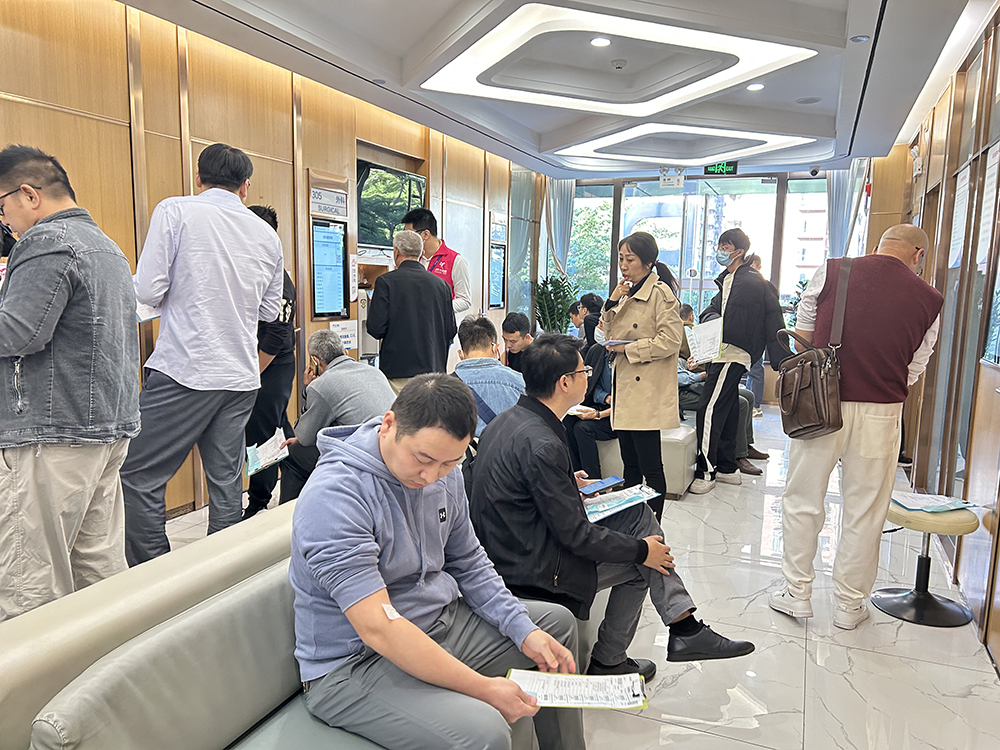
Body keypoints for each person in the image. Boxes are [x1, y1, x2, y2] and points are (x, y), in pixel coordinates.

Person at [290, 374, 585, 749]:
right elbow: (379, 627)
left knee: (553, 626)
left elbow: (470, 561)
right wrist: (483, 688)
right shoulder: (336, 497)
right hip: (356, 663)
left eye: (449, 463)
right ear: (389, 425)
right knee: (485, 731)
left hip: (439, 622)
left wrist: (522, 628)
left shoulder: (446, 475)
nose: (431, 477)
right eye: (423, 459)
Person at [469, 334, 755, 685]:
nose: (588, 376)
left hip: (518, 544)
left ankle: (684, 627)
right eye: (584, 371)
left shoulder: (511, 420)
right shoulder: (542, 442)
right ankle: (622, 654)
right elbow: (576, 536)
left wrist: (567, 482)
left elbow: (521, 486)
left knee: (638, 515)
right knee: (643, 563)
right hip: (532, 568)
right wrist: (641, 551)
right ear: (564, 383)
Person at [770, 224, 943, 630]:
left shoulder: (833, 270)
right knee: (865, 509)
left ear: (879, 244)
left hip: (820, 403)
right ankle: (849, 605)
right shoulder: (930, 299)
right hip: (882, 411)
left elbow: (802, 336)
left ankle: (797, 593)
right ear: (918, 254)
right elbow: (915, 365)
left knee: (803, 498)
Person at [122, 143, 284, 565]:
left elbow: (147, 290)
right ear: (245, 187)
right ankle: (221, 576)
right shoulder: (266, 234)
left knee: (137, 474)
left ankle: (155, 574)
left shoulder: (175, 210)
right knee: (226, 484)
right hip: (241, 377)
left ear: (198, 178)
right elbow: (269, 312)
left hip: (186, 369)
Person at [0, 145, 140, 620]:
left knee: (29, 586)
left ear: (28, 194)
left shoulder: (45, 242)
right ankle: (114, 664)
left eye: (2, 206)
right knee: (98, 572)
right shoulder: (106, 246)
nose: (5, 221)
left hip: (50, 435)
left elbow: (19, 332)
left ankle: (36, 673)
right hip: (104, 429)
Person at [690, 228, 785, 495]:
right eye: (720, 246)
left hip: (730, 353)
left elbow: (770, 321)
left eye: (725, 247)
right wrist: (713, 323)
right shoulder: (729, 279)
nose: (720, 251)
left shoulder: (750, 282)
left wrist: (780, 359)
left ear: (739, 251)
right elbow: (711, 311)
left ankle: (706, 471)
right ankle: (727, 468)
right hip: (725, 352)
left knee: (708, 409)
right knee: (729, 408)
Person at [602, 231, 682, 519]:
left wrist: (630, 349)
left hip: (646, 389)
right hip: (624, 386)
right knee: (630, 465)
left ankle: (654, 527)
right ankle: (633, 524)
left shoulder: (660, 294)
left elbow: (671, 341)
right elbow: (607, 333)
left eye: (630, 260)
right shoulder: (626, 292)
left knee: (651, 467)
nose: (624, 266)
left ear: (648, 263)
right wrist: (611, 302)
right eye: (621, 259)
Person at [277, 329, 396, 504]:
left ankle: (290, 513)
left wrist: (308, 388)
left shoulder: (321, 385)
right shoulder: (374, 372)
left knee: (293, 454)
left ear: (315, 360)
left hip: (362, 457)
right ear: (345, 352)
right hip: (391, 449)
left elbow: (304, 437)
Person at [242, 205, 297, 520]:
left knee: (261, 434)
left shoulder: (278, 277)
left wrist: (252, 373)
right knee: (277, 428)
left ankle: (258, 502)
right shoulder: (251, 269)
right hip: (258, 365)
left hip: (272, 365)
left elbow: (275, 338)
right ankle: (300, 475)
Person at [366, 229, 457, 395]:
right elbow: (450, 330)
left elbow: (375, 328)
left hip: (398, 372)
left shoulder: (385, 282)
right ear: (421, 253)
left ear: (396, 252)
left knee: (402, 412)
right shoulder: (441, 285)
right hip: (433, 373)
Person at [453, 315, 525, 437]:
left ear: (460, 354)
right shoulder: (519, 382)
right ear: (495, 348)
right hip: (511, 448)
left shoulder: (445, 387)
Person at [401, 207, 472, 315]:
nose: (406, 240)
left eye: (410, 235)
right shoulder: (410, 258)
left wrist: (435, 307)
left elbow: (465, 300)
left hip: (439, 322)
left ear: (425, 235)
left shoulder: (455, 261)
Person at [563, 342, 616, 481]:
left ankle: (592, 479)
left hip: (618, 414)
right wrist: (605, 397)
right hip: (600, 405)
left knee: (583, 428)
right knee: (567, 422)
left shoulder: (625, 356)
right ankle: (576, 476)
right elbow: (593, 383)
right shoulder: (597, 351)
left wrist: (598, 415)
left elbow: (628, 403)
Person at [742, 253, 773, 416]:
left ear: (759, 267)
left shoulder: (763, 286)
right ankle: (750, 403)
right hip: (744, 334)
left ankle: (755, 405)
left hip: (756, 335)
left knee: (755, 369)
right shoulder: (745, 284)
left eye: (752, 266)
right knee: (751, 371)